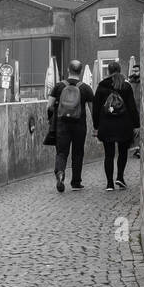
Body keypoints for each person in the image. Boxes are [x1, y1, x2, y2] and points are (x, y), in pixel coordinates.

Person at [93, 60, 139, 190]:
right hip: (124, 125)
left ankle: (109, 184)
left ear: (108, 71)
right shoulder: (126, 86)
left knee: (109, 154)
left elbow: (96, 109)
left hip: (106, 125)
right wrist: (136, 124)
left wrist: (96, 126)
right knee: (123, 152)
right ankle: (120, 177)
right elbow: (132, 107)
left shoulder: (101, 87)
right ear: (119, 70)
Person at [48, 58, 94, 192]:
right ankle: (76, 182)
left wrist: (51, 120)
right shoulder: (86, 88)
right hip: (79, 125)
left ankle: (60, 172)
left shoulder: (58, 86)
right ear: (80, 71)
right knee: (78, 153)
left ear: (68, 70)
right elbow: (93, 110)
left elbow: (49, 106)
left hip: (62, 125)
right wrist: (96, 127)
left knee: (61, 152)